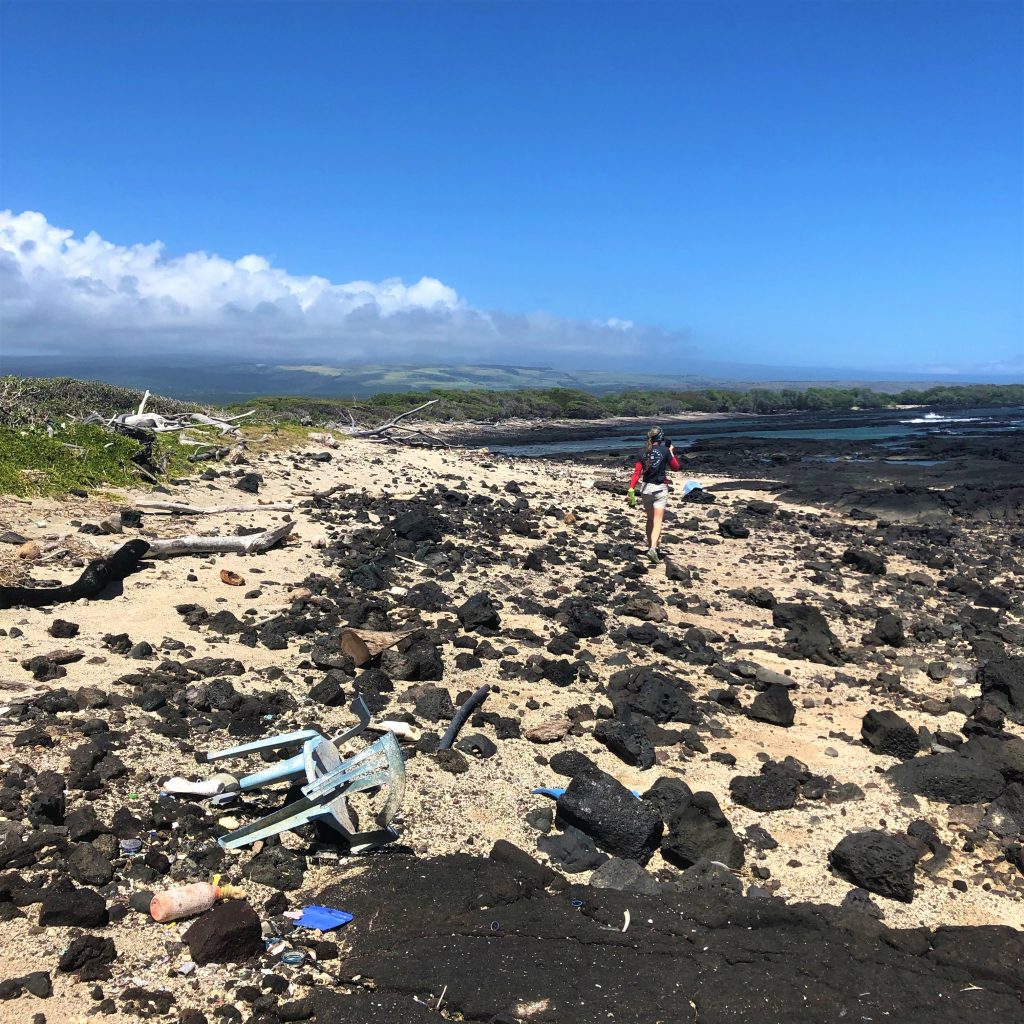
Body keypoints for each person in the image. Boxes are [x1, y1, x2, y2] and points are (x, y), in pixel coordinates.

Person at [627, 426, 681, 563]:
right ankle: (653, 548)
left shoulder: (642, 452)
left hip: (645, 489)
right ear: (661, 438)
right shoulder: (665, 450)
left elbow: (637, 473)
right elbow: (676, 467)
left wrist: (631, 489)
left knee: (650, 519)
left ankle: (650, 546)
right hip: (660, 488)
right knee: (657, 520)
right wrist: (671, 452)